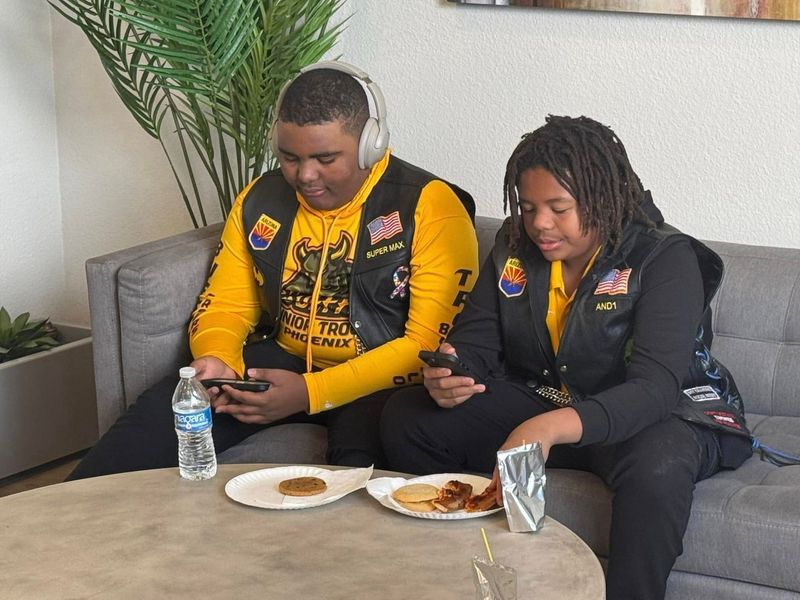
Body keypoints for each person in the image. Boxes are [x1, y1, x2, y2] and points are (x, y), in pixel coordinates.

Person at [380, 116, 752, 600]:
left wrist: (545, 429)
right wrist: (452, 373)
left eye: (559, 208)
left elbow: (654, 389)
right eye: (528, 207)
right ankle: (463, 574)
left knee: (658, 469)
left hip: (652, 415)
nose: (539, 223)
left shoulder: (664, 258)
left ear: (604, 199)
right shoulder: (515, 244)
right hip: (553, 399)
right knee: (408, 417)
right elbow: (477, 340)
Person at [68, 61, 478, 479]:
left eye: (325, 158)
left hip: (377, 381)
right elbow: (226, 303)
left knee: (356, 477)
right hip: (283, 361)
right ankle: (53, 515)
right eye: (289, 157)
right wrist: (218, 356)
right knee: (150, 424)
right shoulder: (260, 199)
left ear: (370, 145)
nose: (305, 175)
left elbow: (426, 343)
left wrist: (310, 392)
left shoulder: (428, 204)